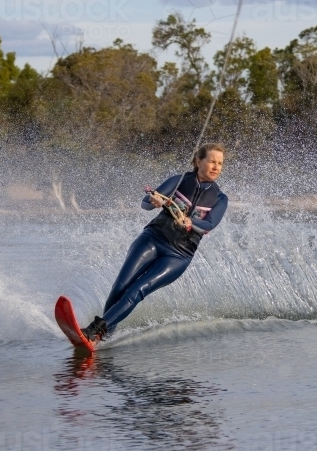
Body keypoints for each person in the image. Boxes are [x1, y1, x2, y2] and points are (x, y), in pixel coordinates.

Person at [81, 143, 228, 342]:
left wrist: (190, 221)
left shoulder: (220, 198)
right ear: (198, 161)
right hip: (152, 239)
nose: (216, 167)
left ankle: (95, 330)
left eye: (220, 163)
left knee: (136, 290)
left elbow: (209, 224)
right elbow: (145, 203)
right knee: (121, 286)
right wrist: (154, 201)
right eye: (212, 161)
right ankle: (103, 333)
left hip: (178, 255)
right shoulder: (179, 181)